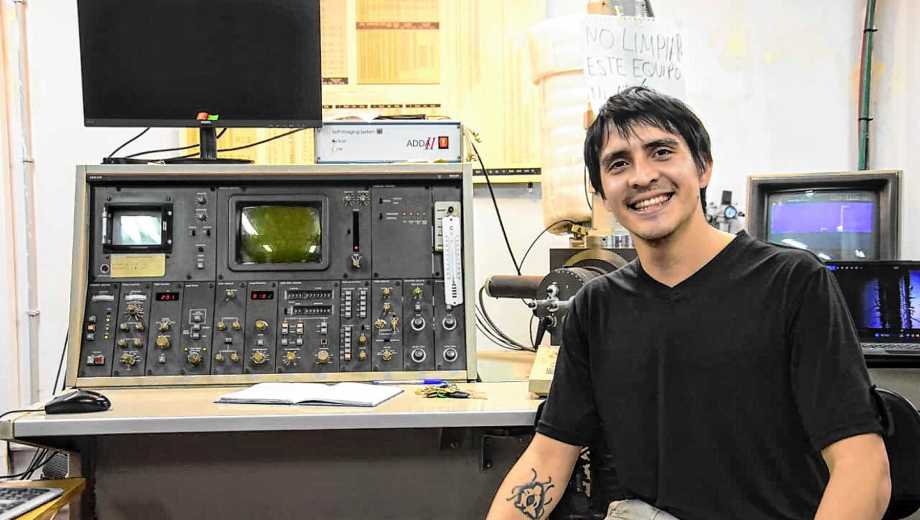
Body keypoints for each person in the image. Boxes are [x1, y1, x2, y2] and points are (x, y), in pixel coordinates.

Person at [486, 86, 890, 520]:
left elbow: (862, 465)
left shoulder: (792, 284)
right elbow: (548, 458)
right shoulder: (597, 308)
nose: (641, 177)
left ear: (703, 168)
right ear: (601, 192)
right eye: (618, 163)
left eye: (661, 152)